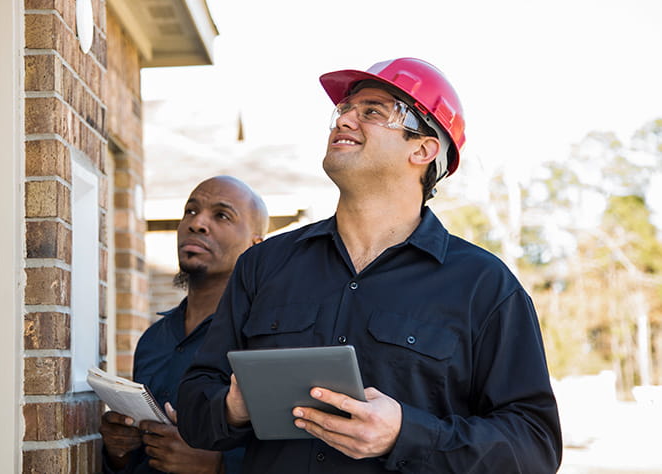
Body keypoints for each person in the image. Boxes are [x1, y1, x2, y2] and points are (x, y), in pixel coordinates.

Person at [177, 58, 562, 473]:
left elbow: (534, 446)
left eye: (372, 111)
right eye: (343, 110)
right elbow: (197, 405)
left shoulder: (484, 286)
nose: (344, 121)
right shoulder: (263, 266)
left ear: (423, 148)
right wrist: (233, 407)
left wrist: (406, 434)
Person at [100, 176, 269, 474]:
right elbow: (136, 458)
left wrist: (217, 466)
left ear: (255, 246)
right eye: (190, 211)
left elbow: (296, 448)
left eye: (222, 215)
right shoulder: (154, 339)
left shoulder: (265, 338)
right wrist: (118, 452)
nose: (198, 223)